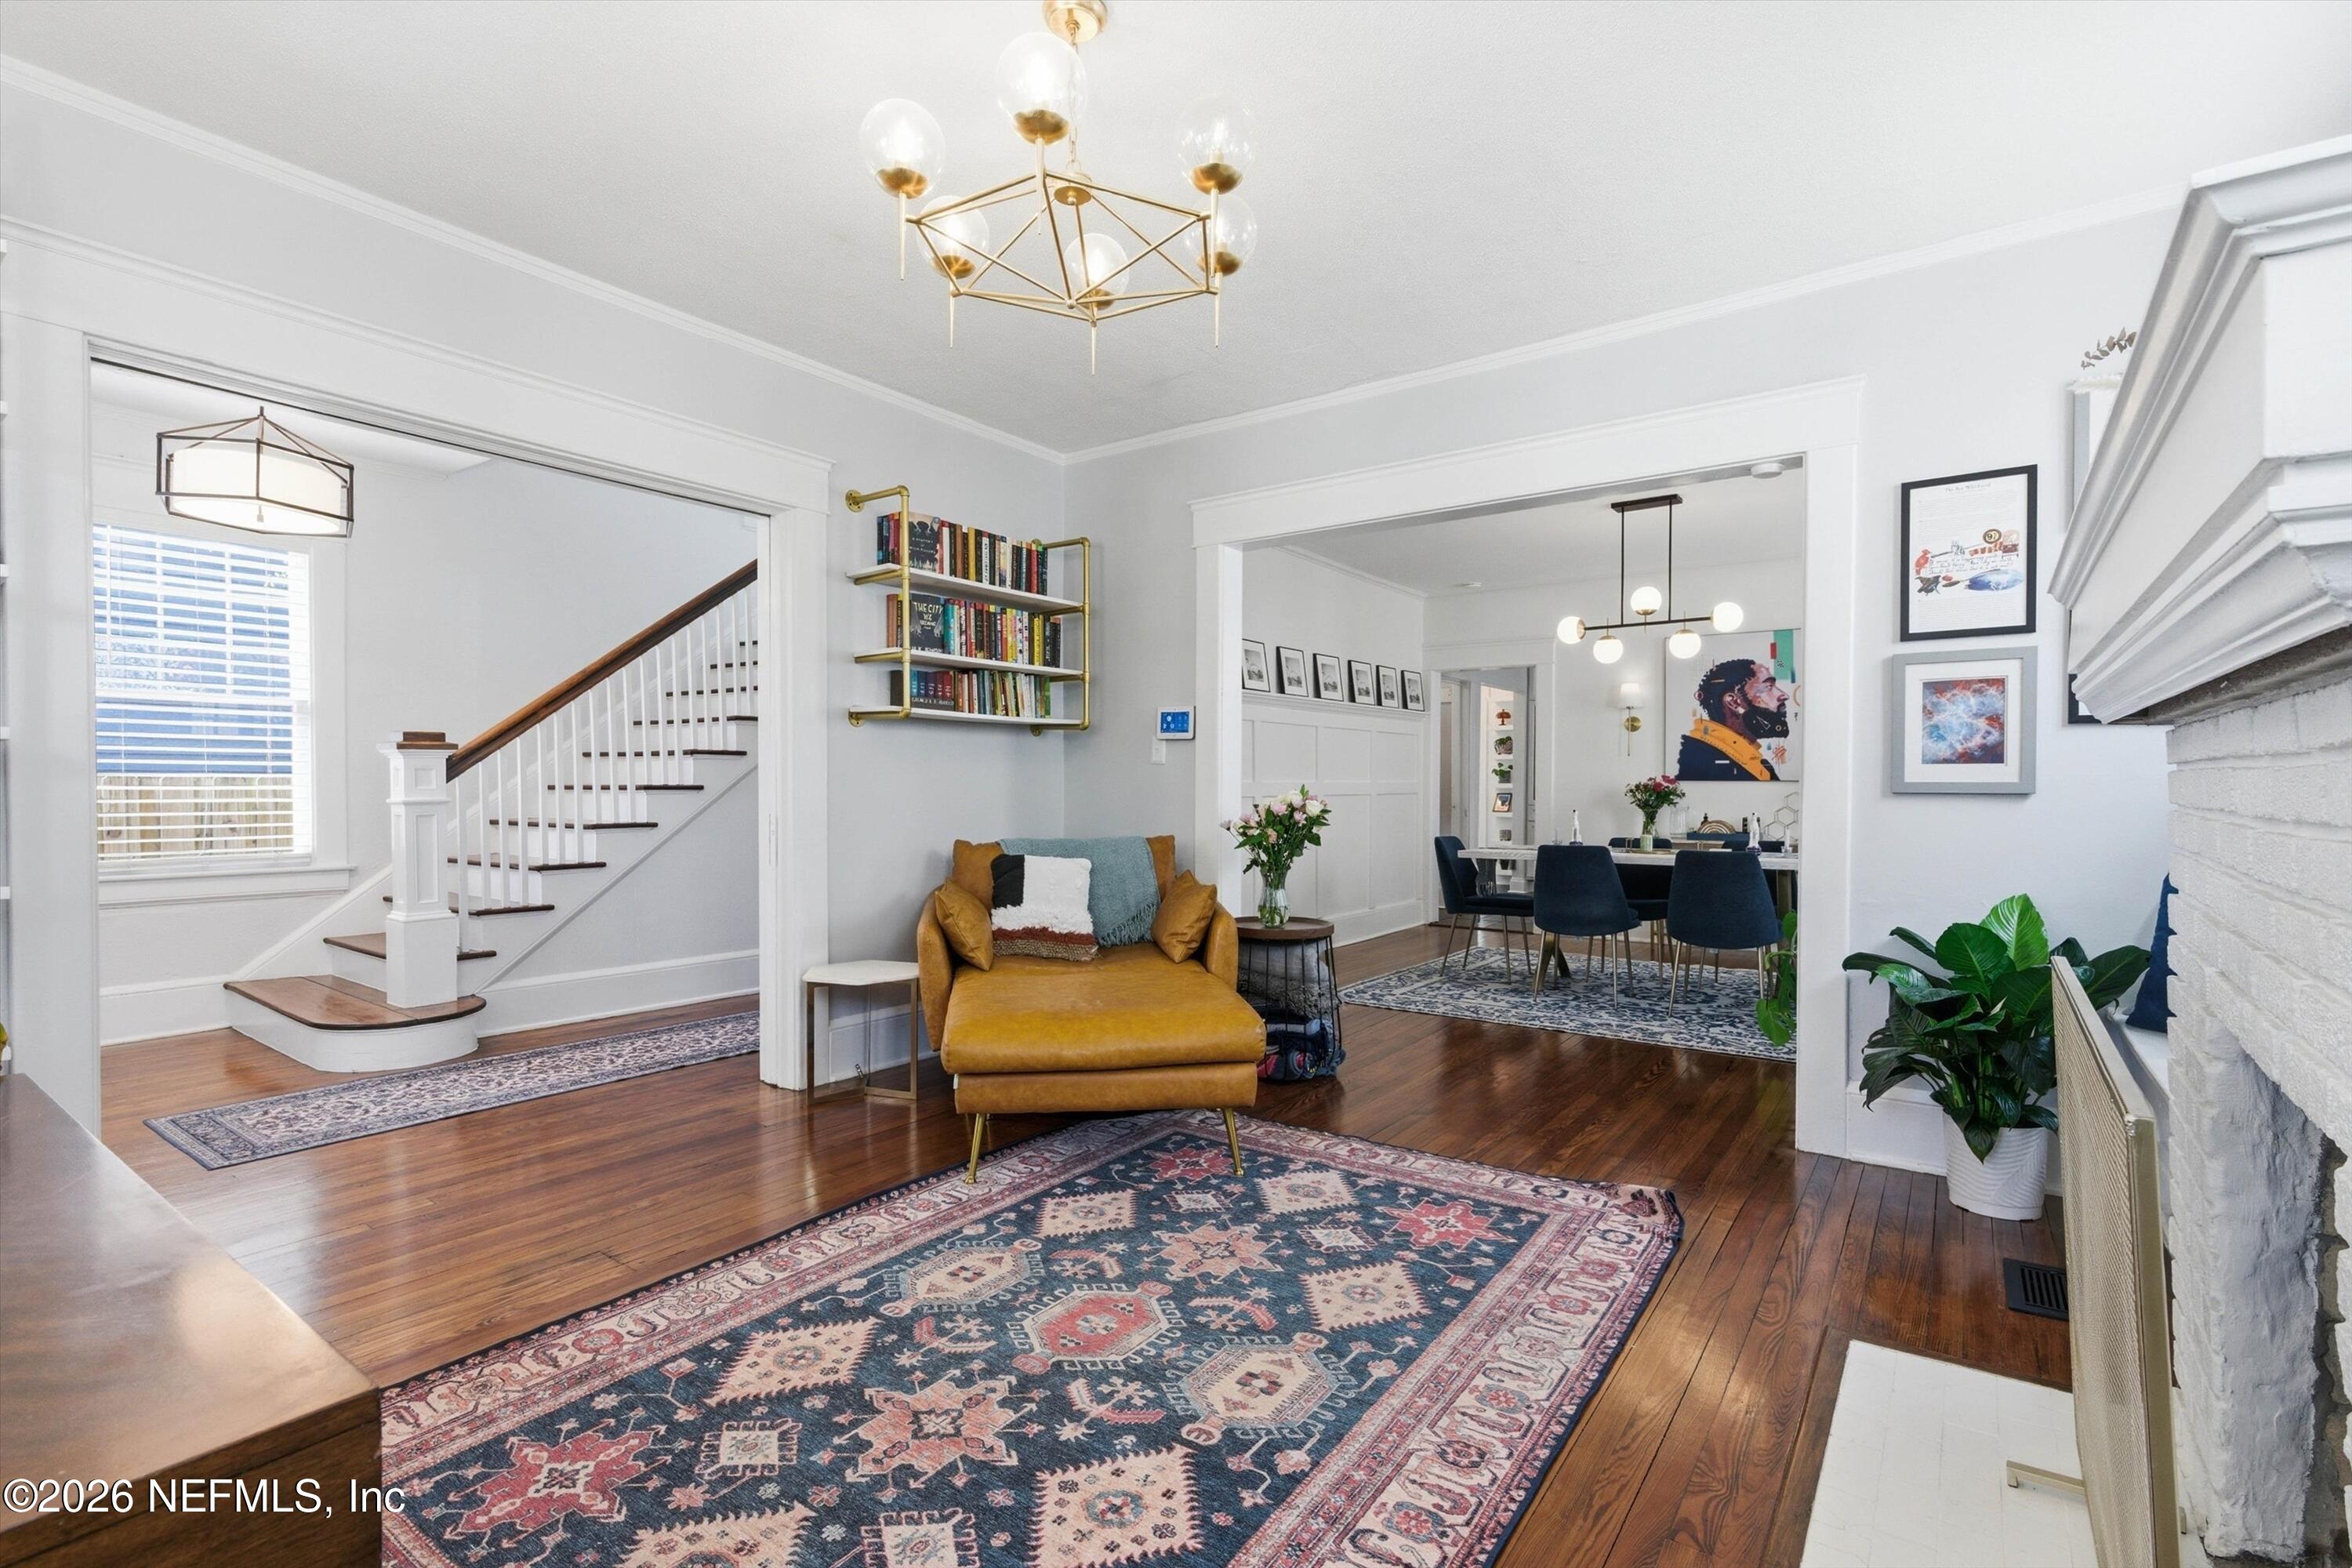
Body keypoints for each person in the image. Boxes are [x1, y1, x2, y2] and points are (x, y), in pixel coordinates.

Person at [1677, 658, 1791, 781]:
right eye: (1768, 687)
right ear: (1733, 702)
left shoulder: (1754, 763)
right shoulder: (1705, 761)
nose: (1784, 695)